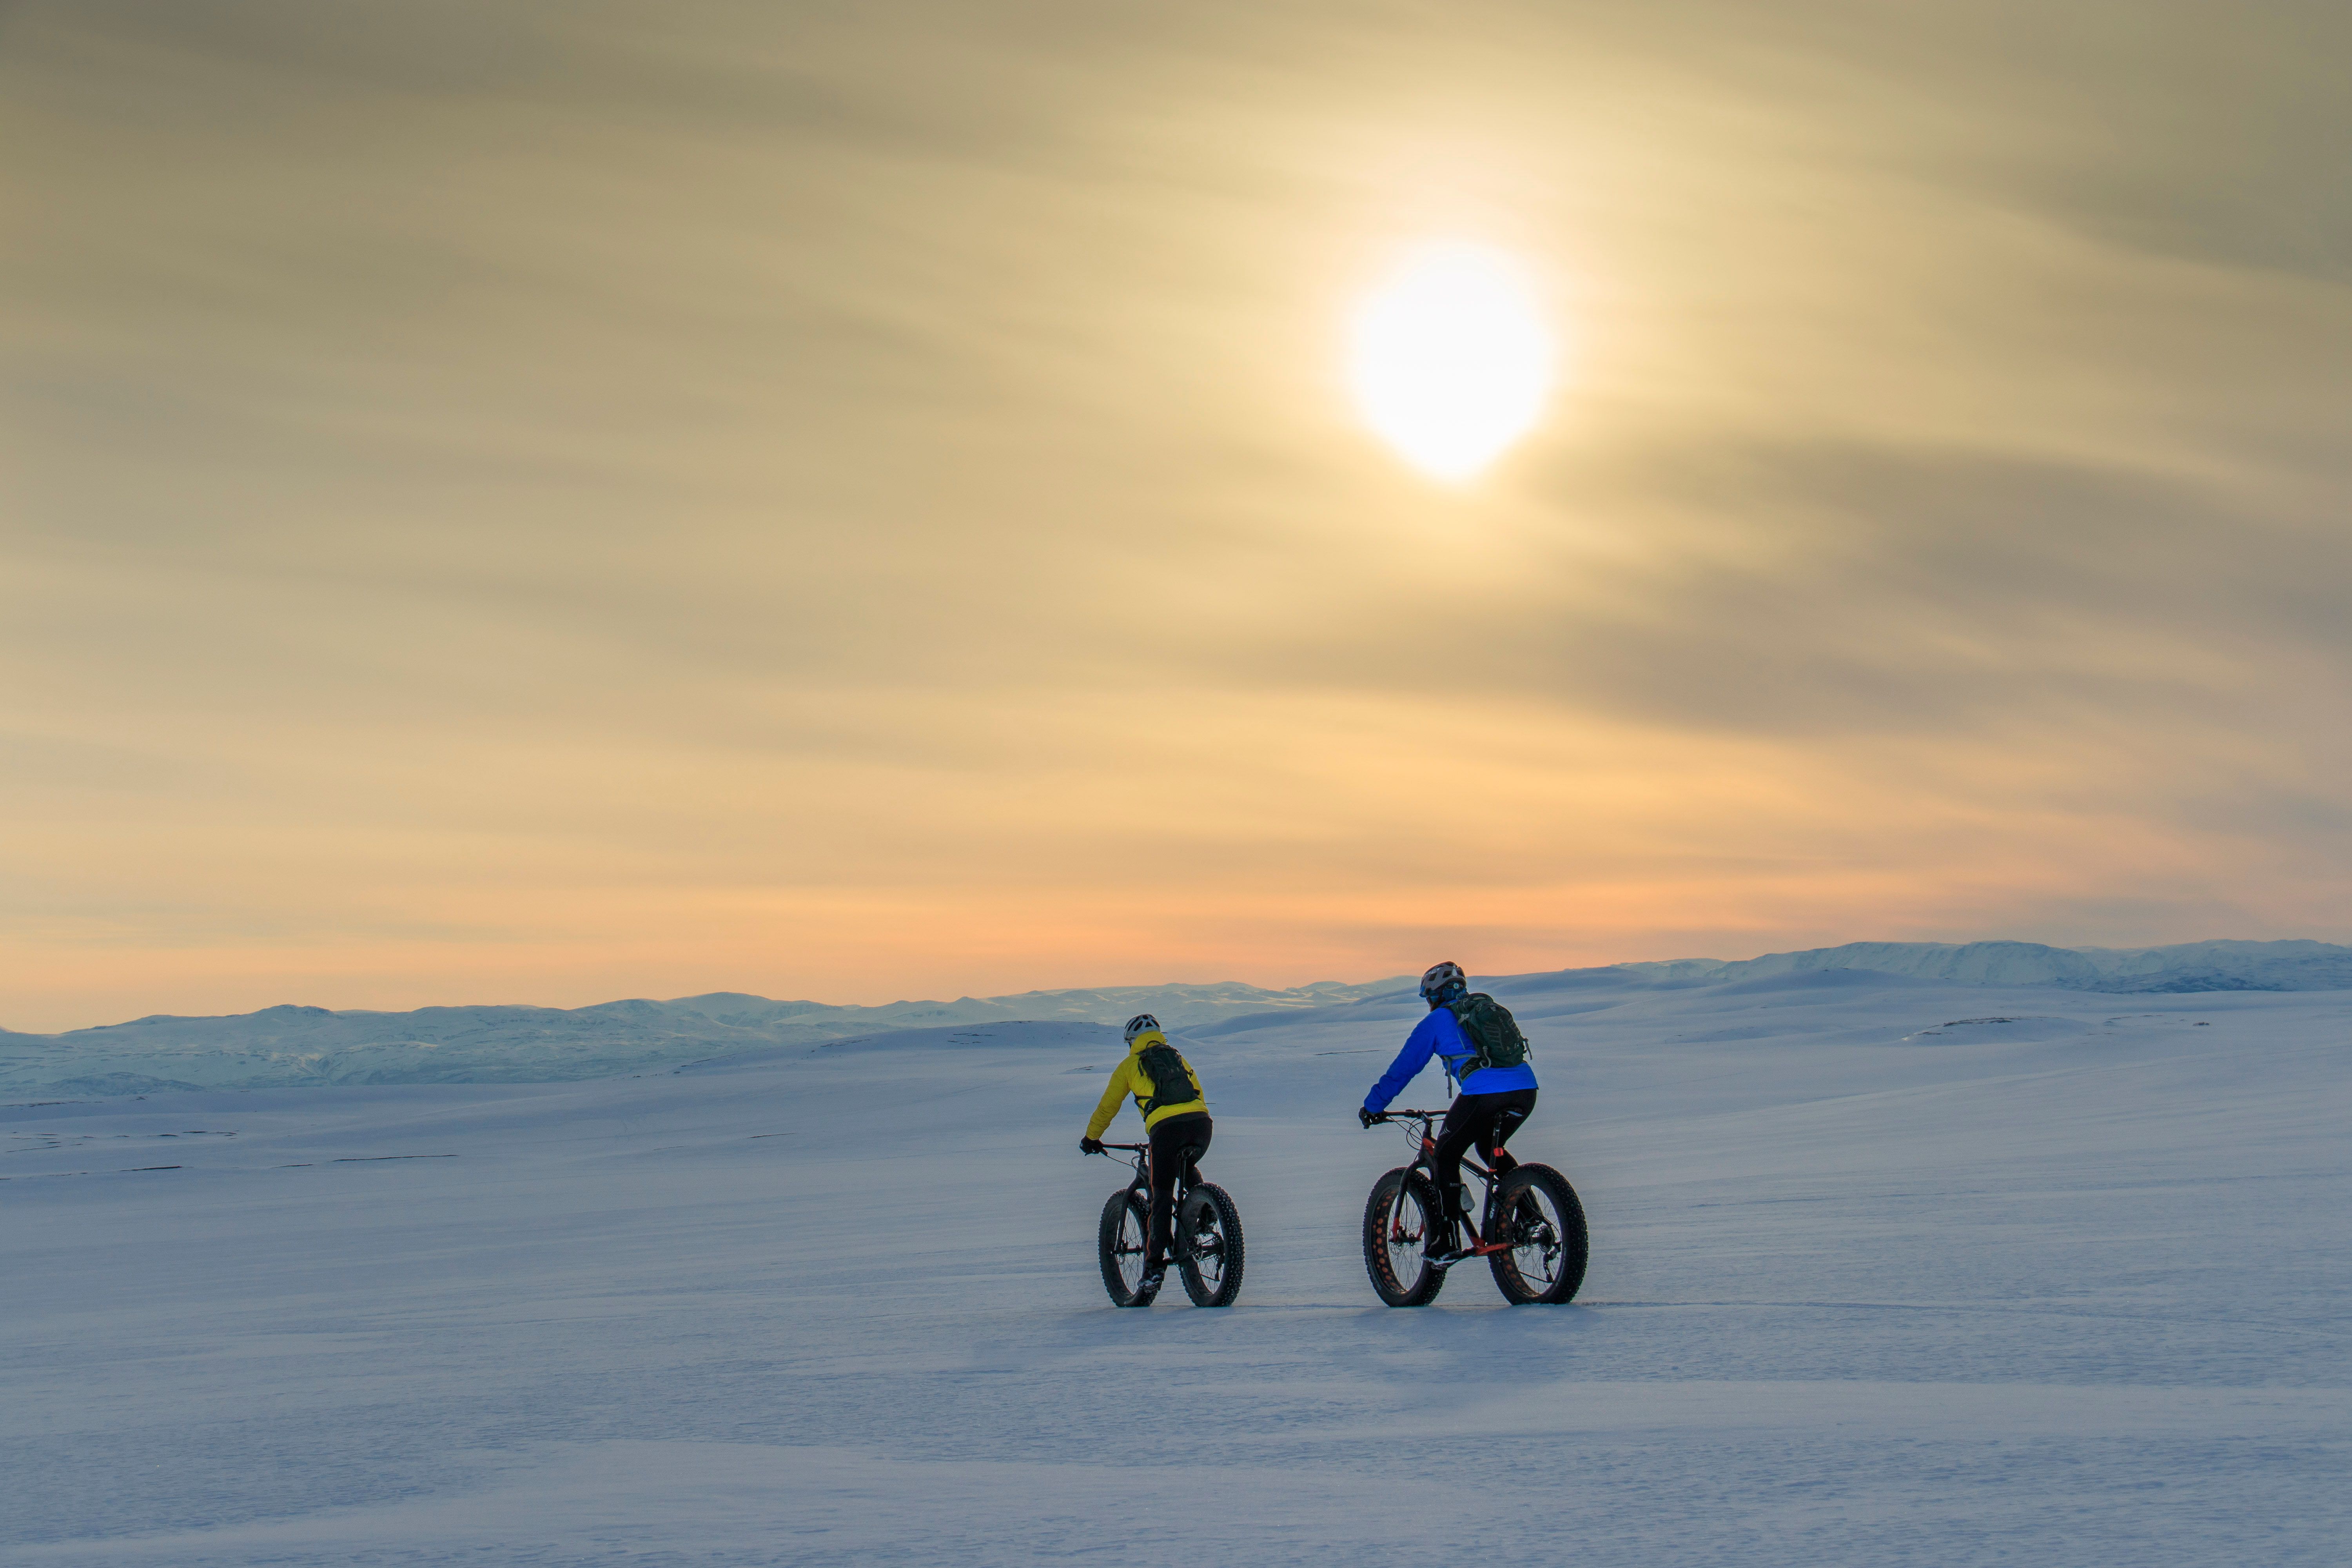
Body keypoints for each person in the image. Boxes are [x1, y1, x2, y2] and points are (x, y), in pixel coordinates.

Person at [1358, 961, 1539, 1258]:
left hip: (1484, 1095)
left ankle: (1446, 1239)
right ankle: (1531, 1217)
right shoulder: (1484, 1009)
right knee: (1489, 1148)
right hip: (1525, 1091)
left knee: (1445, 1154)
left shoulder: (1437, 1021)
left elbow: (1403, 1069)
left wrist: (1373, 1106)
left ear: (1435, 996)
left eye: (1429, 998)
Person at [1081, 1013, 1212, 1294]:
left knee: (1162, 1194)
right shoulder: (1178, 1058)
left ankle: (1153, 1271)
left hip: (1166, 1132)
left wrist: (1092, 1138)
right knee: (1184, 1163)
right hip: (1202, 1127)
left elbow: (1108, 1107)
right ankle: (1207, 1209)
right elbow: (1197, 1092)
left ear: (1131, 1042)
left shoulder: (1130, 1065)